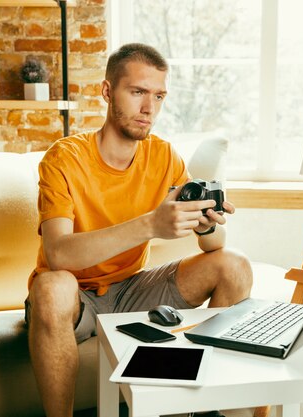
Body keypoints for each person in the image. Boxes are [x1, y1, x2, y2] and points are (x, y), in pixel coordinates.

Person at [26, 43, 253, 417]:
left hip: (131, 289)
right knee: (51, 286)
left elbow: (215, 247)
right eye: (138, 93)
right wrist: (151, 224)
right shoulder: (63, 158)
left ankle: (204, 408)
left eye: (159, 96)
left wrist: (207, 222)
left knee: (235, 264)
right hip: (74, 299)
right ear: (106, 91)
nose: (150, 109)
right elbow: (59, 254)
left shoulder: (164, 156)